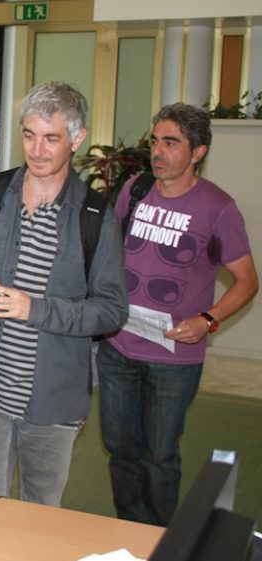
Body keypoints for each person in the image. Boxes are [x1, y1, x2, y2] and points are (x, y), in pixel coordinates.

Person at [0, 81, 128, 505]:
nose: (37, 150)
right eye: (29, 135)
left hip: (53, 402)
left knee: (38, 518)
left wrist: (37, 310)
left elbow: (111, 310)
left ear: (77, 139)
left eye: (52, 138)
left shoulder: (96, 217)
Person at [98, 103, 259, 526]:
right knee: (120, 446)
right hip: (119, 346)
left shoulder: (217, 207)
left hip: (174, 358)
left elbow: (247, 280)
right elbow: (108, 254)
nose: (159, 151)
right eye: (155, 141)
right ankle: (129, 526)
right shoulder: (135, 189)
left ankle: (160, 537)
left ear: (198, 151)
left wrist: (207, 321)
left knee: (160, 452)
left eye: (172, 142)